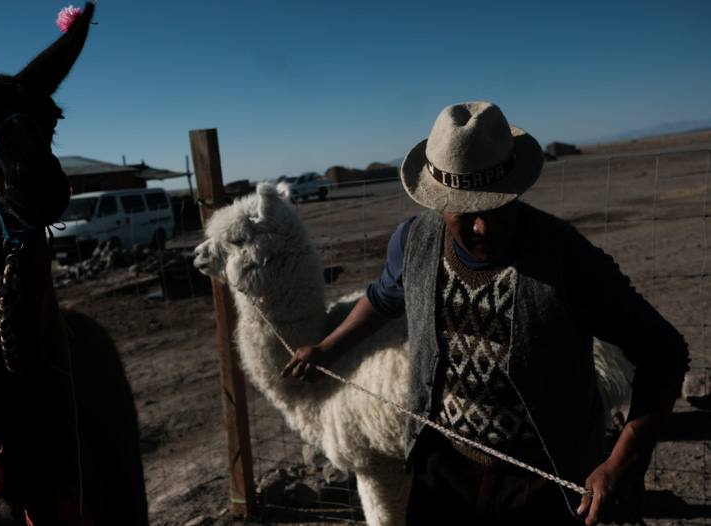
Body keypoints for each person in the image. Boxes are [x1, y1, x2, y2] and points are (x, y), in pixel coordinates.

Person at [280, 101, 690, 525]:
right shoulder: (414, 243)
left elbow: (664, 351)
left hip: (543, 480)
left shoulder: (567, 259)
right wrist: (327, 348)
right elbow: (383, 298)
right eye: (466, 211)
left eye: (497, 205)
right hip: (442, 470)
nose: (483, 228)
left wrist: (625, 461)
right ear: (437, 201)